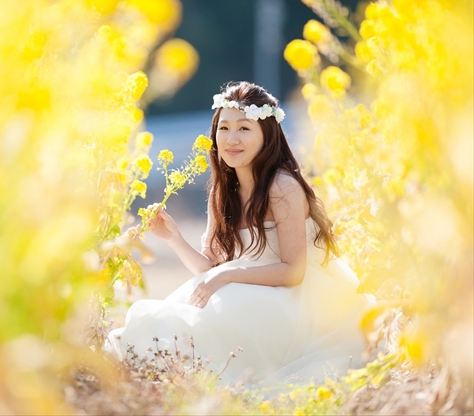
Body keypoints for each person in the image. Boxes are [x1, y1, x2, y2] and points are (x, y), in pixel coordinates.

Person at [104, 81, 373, 387]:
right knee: (175, 319)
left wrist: (226, 276)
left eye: (244, 129)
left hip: (300, 300)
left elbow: (293, 271)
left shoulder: (282, 186)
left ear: (266, 135)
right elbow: (209, 269)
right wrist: (174, 239)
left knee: (210, 319)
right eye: (224, 128)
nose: (231, 139)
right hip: (249, 289)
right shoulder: (222, 191)